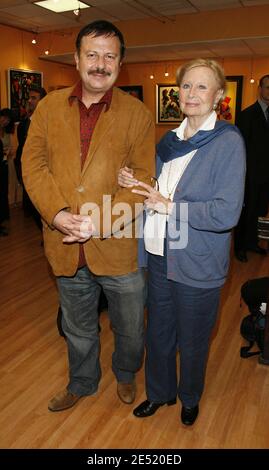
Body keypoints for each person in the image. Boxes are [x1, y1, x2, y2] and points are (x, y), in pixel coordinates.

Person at [22, 20, 155, 412]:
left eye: (110, 56)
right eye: (92, 54)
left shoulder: (138, 114)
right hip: (64, 244)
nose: (100, 64)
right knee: (77, 326)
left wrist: (100, 221)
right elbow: (33, 165)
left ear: (120, 63)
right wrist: (57, 213)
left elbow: (142, 180)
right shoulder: (48, 107)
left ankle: (127, 374)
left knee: (129, 328)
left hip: (118, 248)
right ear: (77, 59)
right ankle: (82, 381)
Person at [118, 59, 246, 425]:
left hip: (198, 260)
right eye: (187, 86)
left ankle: (190, 397)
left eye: (202, 87)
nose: (192, 94)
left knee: (192, 339)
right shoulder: (168, 142)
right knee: (158, 332)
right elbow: (155, 191)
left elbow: (226, 213)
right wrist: (134, 181)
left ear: (218, 95)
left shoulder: (228, 142)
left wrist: (170, 206)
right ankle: (160, 394)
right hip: (160, 253)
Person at [234, 75, 269, 262]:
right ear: (260, 89)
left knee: (258, 211)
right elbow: (240, 149)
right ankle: (239, 247)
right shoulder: (246, 115)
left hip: (266, 177)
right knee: (244, 213)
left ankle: (252, 243)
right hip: (249, 176)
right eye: (268, 87)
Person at [14, 85, 47, 230]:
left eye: (34, 98)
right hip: (28, 172)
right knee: (32, 209)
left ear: (43, 100)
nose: (29, 101)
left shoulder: (51, 122)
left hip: (45, 173)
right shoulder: (24, 124)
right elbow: (22, 150)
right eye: (29, 98)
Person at [0, 108, 15, 235]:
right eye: (4, 118)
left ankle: (2, 219)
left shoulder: (7, 132)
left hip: (3, 164)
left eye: (8, 120)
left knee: (3, 192)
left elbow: (10, 147)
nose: (5, 121)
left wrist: (8, 152)